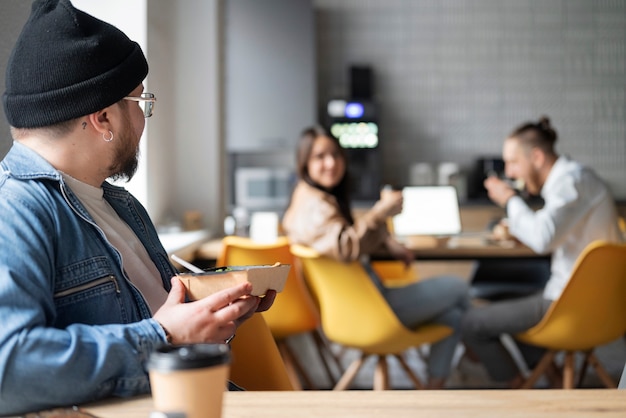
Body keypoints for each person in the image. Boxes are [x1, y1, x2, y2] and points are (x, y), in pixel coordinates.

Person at [0, 1, 275, 414]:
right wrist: (165, 336)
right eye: (141, 102)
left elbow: (162, 320)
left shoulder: (122, 205)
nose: (146, 117)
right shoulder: (15, 211)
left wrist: (214, 311)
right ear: (104, 118)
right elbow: (10, 369)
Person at [282, 125, 470, 389]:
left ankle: (435, 388)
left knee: (453, 317)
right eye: (320, 156)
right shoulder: (315, 206)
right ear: (304, 163)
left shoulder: (307, 199)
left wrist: (383, 238)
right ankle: (476, 350)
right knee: (459, 288)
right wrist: (380, 213)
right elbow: (346, 245)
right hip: (374, 310)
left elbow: (344, 238)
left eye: (336, 155)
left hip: (350, 312)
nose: (331, 163)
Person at [461, 116, 623, 388]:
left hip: (574, 306)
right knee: (508, 304)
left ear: (536, 157)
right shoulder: (577, 180)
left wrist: (510, 199)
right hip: (596, 303)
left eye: (513, 162)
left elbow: (542, 238)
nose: (510, 173)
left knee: (471, 322)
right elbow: (555, 232)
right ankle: (553, 378)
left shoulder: (572, 181)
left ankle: (518, 388)